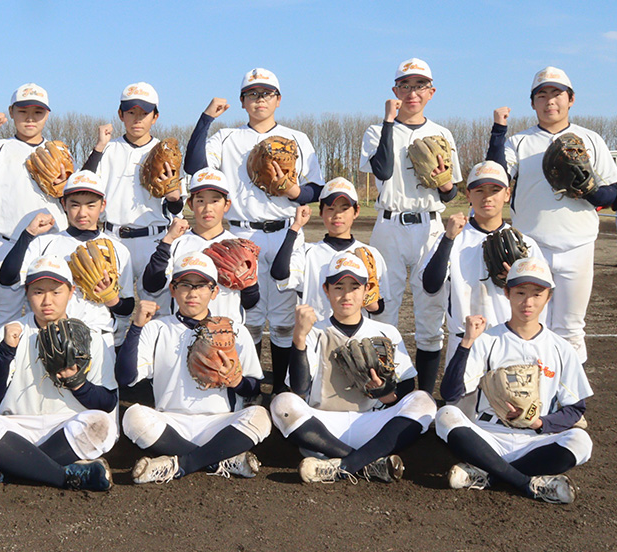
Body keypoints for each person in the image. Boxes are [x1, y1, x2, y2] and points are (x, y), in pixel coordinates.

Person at [183, 68, 324, 396]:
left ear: (278, 99)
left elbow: (315, 190)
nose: (260, 99)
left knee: (285, 322)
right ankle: (247, 391)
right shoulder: (226, 137)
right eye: (253, 94)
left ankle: (282, 394)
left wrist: (293, 192)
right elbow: (194, 167)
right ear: (242, 101)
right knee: (248, 318)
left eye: (266, 93)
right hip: (242, 238)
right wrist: (205, 119)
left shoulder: (298, 138)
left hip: (286, 233)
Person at [486, 67, 617, 363]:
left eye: (556, 93)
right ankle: (533, 400)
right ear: (533, 103)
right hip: (532, 247)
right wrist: (498, 131)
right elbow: (494, 175)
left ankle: (571, 403)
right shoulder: (519, 141)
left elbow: (613, 194)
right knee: (530, 327)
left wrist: (590, 190)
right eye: (542, 94)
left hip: (579, 245)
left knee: (571, 329)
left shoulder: (590, 139)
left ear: (571, 99)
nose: (550, 101)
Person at [435, 257, 593, 504]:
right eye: (520, 292)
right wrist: (466, 342)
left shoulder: (561, 349)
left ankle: (488, 474)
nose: (527, 302)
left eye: (537, 294)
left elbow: (575, 409)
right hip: (489, 436)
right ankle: (526, 483)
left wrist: (540, 422)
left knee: (581, 441)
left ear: (548, 297)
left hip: (535, 440)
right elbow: (451, 392)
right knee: (445, 416)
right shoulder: (488, 340)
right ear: (507, 293)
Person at [270, 252, 437, 484]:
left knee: (425, 401)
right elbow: (298, 389)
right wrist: (298, 338)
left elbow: (407, 387)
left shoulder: (386, 332)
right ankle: (368, 463)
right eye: (338, 287)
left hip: (371, 427)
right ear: (326, 290)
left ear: (366, 290)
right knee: (281, 402)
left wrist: (387, 394)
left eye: (354, 287)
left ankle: (343, 466)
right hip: (322, 429)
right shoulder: (313, 331)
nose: (346, 295)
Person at [0, 255, 118, 492]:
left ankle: (9, 468)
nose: (47, 300)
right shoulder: (12, 333)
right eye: (38, 291)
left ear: (71, 291)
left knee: (102, 424)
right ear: (27, 292)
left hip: (66, 428)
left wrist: (77, 384)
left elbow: (108, 402)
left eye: (56, 292)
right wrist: (6, 351)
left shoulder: (92, 336)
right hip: (16, 429)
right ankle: (66, 476)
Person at [115, 251, 270, 483]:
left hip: (220, 423)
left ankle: (180, 464)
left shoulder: (235, 330)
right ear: (173, 289)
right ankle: (221, 459)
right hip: (170, 423)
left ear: (214, 291)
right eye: (185, 284)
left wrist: (237, 382)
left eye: (201, 285)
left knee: (260, 416)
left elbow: (253, 389)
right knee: (132, 417)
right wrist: (136, 327)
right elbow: (126, 378)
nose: (192, 293)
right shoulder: (156, 329)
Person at [359, 57, 462, 391]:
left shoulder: (441, 133)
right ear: (395, 90)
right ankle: (385, 392)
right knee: (382, 311)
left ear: (431, 92)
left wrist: (445, 184)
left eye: (419, 85)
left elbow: (450, 194)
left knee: (431, 314)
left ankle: (425, 396)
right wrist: (390, 122)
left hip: (430, 227)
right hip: (388, 226)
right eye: (405, 85)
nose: (412, 92)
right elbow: (384, 171)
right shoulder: (376, 131)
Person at [0, 83, 69, 356]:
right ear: (12, 112)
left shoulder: (60, 152)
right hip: (6, 244)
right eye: (23, 111)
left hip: (49, 247)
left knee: (53, 321)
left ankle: (51, 386)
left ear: (47, 115)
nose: (30, 118)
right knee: (1, 323)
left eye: (37, 112)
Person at [419, 161, 544, 375]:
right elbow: (430, 286)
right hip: (465, 342)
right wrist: (448, 239)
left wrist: (515, 281)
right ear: (468, 195)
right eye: (480, 190)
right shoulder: (452, 238)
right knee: (460, 407)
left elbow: (543, 296)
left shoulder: (526, 244)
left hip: (512, 342)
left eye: (495, 190)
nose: (487, 197)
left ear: (507, 194)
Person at [0, 170, 135, 352]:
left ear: (103, 205)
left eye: (91, 205)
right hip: (48, 336)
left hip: (98, 336)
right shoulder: (44, 243)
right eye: (75, 205)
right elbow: (6, 278)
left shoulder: (118, 250)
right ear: (64, 204)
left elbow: (127, 308)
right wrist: (28, 234)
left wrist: (112, 300)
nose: (82, 213)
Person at [82, 82, 185, 305]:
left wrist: (174, 196)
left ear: (155, 117)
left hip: (154, 239)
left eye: (144, 113)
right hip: (113, 238)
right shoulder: (108, 149)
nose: (137, 119)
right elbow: (81, 186)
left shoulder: (165, 152)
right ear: (121, 115)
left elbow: (176, 207)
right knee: (112, 308)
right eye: (131, 112)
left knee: (158, 309)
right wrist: (98, 147)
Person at [141, 168, 259, 322]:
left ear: (227, 204)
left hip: (226, 333)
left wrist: (249, 284)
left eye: (215, 201)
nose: (208, 208)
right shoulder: (177, 243)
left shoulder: (240, 249)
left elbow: (250, 302)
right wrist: (167, 240)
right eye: (200, 200)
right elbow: (152, 286)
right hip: (185, 332)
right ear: (190, 204)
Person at [271, 177, 389, 325]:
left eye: (344, 209)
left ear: (356, 211)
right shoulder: (308, 252)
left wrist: (367, 293)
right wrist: (295, 226)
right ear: (321, 212)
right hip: (316, 337)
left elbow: (378, 309)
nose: (337, 215)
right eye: (331, 208)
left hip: (355, 340)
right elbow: (279, 274)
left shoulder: (370, 254)